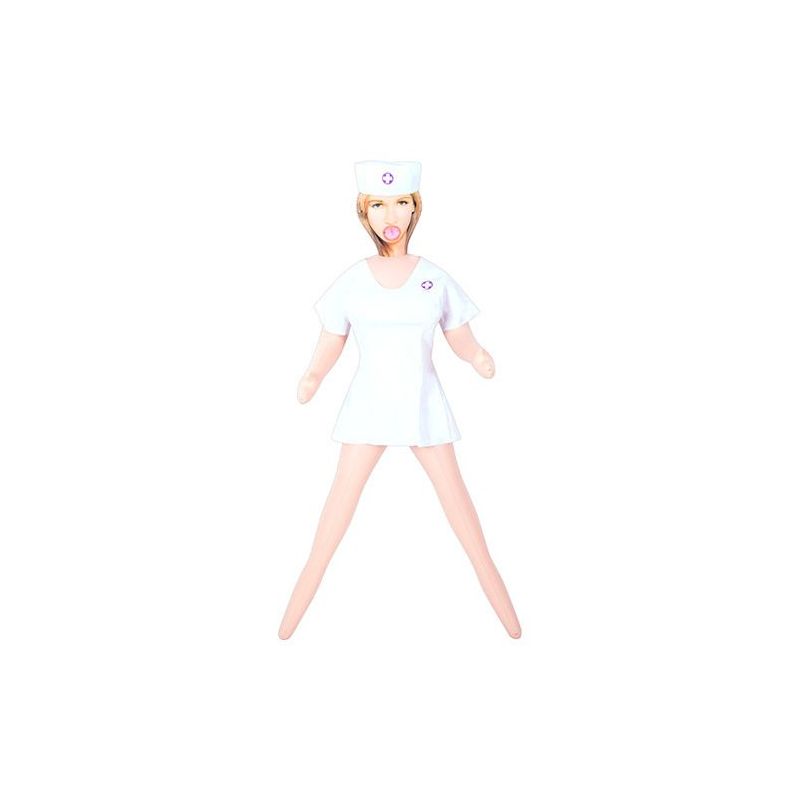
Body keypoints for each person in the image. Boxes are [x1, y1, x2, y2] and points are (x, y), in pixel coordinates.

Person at [278, 160, 521, 639]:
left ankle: (511, 622)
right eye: (379, 205)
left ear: (415, 208)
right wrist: (312, 376)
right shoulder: (353, 280)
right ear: (364, 212)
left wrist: (478, 356)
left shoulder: (434, 278)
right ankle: (288, 623)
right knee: (332, 521)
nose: (391, 215)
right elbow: (331, 341)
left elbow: (459, 336)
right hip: (368, 407)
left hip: (423, 405)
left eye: (400, 203)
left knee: (465, 519)